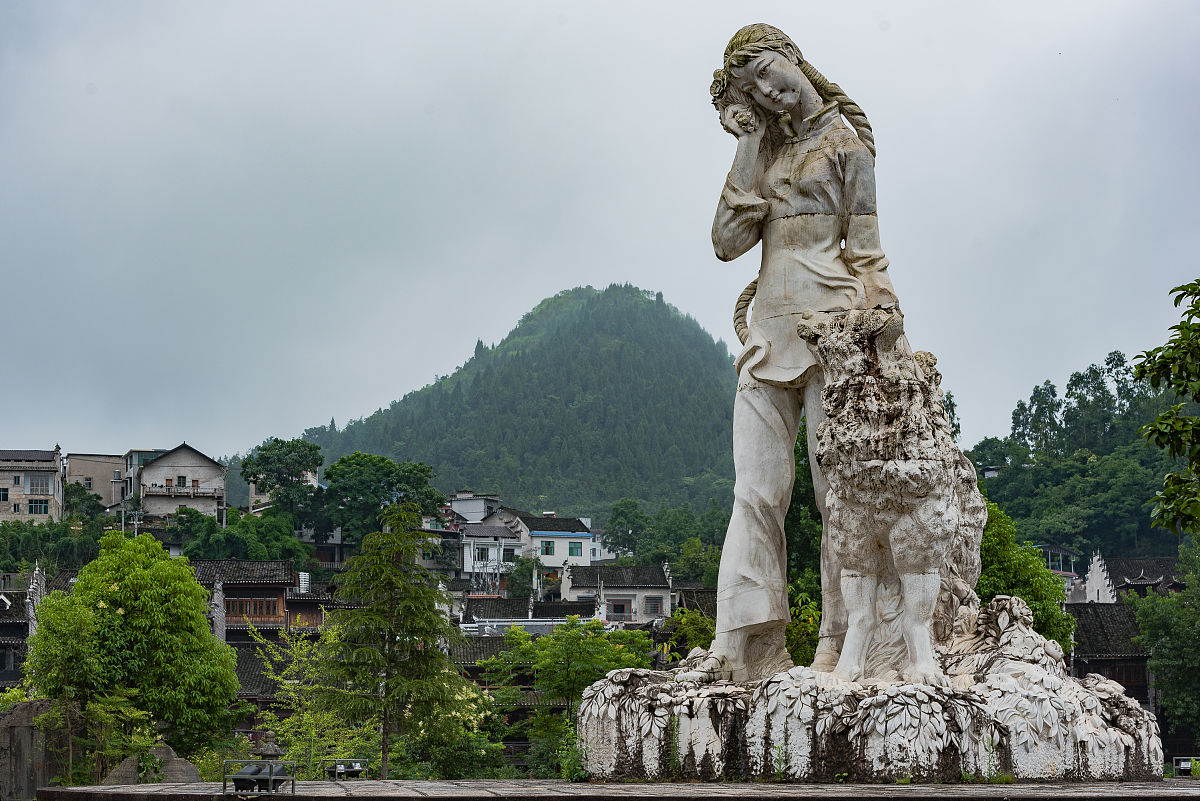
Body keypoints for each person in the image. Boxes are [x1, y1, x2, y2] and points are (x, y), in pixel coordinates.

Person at [683, 23, 904, 682]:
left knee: (837, 493)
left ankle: (843, 641)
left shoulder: (847, 147)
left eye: (769, 73)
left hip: (835, 333)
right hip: (766, 335)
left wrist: (886, 323)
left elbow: (866, 250)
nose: (770, 92)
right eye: (753, 89)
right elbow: (725, 241)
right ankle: (745, 640)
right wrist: (749, 135)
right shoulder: (767, 152)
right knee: (754, 490)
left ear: (792, 56)